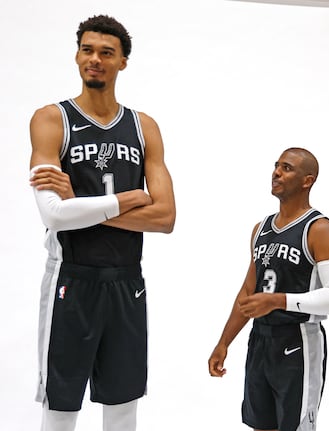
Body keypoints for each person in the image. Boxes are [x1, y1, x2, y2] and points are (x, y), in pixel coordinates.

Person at [29, 15, 176, 431]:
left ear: (122, 62)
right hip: (71, 279)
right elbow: (54, 214)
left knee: (124, 402)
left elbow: (165, 218)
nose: (95, 59)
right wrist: (127, 199)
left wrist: (84, 203)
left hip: (127, 280)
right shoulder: (51, 119)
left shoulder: (143, 127)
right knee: (61, 404)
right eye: (87, 50)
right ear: (77, 56)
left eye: (106, 53)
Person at [208, 147, 329, 431]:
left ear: (307, 180)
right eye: (276, 166)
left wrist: (278, 301)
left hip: (297, 341)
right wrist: (224, 342)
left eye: (287, 168)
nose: (276, 172)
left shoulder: (319, 229)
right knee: (261, 425)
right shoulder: (260, 228)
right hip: (260, 340)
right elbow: (248, 292)